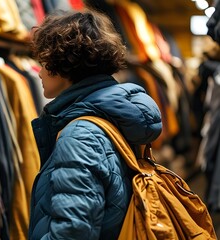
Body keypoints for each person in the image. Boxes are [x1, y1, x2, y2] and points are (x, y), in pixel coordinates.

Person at [28, 8, 163, 240]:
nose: (39, 73)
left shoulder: (80, 135)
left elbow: (73, 231)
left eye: (43, 62)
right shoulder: (112, 115)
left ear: (63, 63)